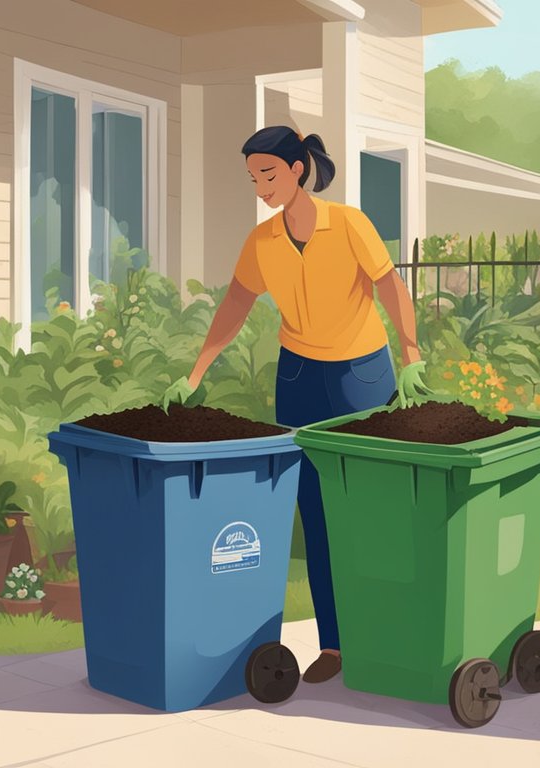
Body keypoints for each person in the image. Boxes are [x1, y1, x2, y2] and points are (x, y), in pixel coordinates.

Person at [163, 126, 431, 683]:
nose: (261, 187)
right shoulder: (262, 243)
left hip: (362, 375)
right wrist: (194, 374)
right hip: (301, 378)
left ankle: (388, 628)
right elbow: (235, 305)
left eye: (269, 174)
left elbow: (390, 288)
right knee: (315, 509)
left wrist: (411, 356)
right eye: (253, 178)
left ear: (298, 169)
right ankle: (333, 645)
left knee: (369, 504)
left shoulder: (349, 224)